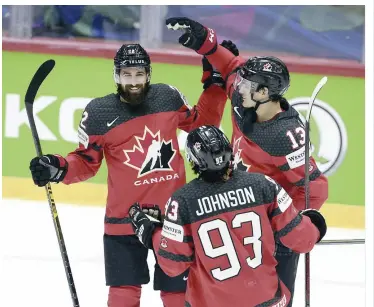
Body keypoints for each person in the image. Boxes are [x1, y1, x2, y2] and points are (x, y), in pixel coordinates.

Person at [28, 43, 235, 307]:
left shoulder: (167, 97)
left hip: (172, 219)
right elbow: (86, 161)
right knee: (123, 296)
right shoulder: (99, 113)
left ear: (148, 73)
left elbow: (200, 124)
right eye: (127, 75)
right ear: (117, 76)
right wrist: (58, 167)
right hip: (124, 219)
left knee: (177, 296)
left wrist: (216, 86)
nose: (133, 81)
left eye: (139, 74)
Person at [164, 17, 329, 305]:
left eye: (246, 84)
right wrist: (204, 42)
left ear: (265, 93)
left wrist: (296, 223)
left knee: (275, 299)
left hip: (272, 225)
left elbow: (316, 188)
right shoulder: (246, 100)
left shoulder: (284, 136)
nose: (237, 87)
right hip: (237, 211)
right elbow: (229, 66)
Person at [128, 125, 327, 307]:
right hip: (267, 301)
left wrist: (152, 233)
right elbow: (302, 239)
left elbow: (173, 264)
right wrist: (315, 224)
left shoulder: (183, 201)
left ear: (192, 159)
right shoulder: (264, 185)